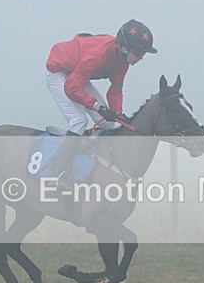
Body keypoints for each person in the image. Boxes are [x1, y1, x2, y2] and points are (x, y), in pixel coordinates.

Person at [42, 19, 157, 179]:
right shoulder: (97, 55)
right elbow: (71, 88)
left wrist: (117, 112)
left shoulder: (123, 63)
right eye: (138, 54)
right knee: (78, 120)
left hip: (76, 73)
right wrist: (97, 107)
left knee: (107, 122)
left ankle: (95, 162)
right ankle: (59, 174)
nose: (140, 58)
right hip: (58, 72)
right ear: (124, 48)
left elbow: (115, 90)